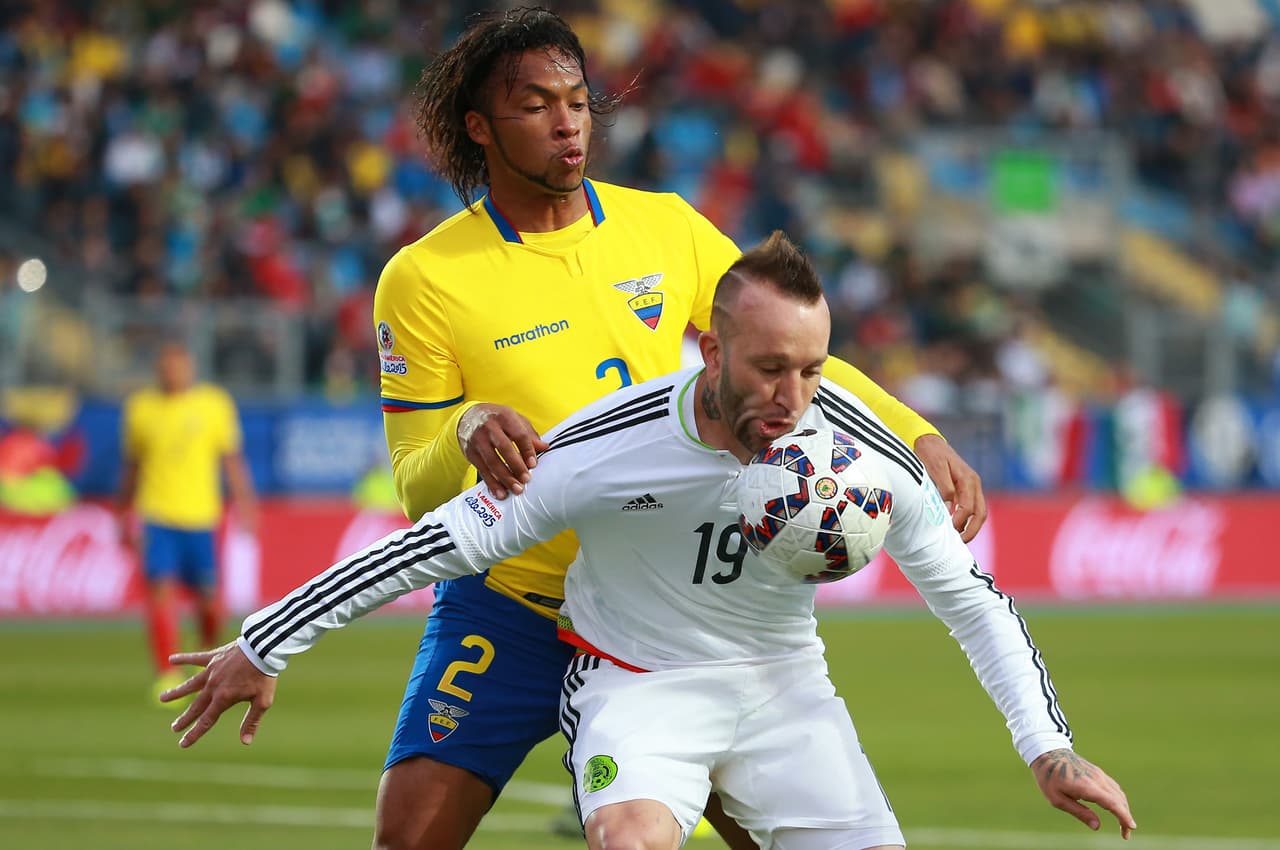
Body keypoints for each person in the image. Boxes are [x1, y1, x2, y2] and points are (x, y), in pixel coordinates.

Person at [186, 7, 984, 850]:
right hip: (510, 603)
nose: (567, 122)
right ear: (479, 127)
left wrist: (914, 433)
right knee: (408, 837)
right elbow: (418, 484)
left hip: (663, 601)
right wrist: (465, 429)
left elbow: (784, 349)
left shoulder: (665, 228)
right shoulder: (422, 280)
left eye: (576, 100)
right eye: (534, 105)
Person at [163, 232, 1134, 850]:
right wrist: (262, 641)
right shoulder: (601, 446)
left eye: (809, 368)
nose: (791, 398)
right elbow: (430, 542)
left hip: (782, 686)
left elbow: (972, 599)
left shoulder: (853, 450)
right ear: (709, 350)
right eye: (766, 369)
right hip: (633, 681)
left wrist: (1046, 747)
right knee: (624, 840)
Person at [117, 340, 257, 702]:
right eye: (166, 365)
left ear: (190, 368)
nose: (173, 372)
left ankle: (207, 658)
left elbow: (231, 459)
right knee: (160, 593)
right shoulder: (141, 409)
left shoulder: (213, 404)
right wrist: (122, 513)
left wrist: (246, 504)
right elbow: (132, 468)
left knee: (210, 602)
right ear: (158, 369)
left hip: (201, 518)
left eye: (179, 365)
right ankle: (166, 674)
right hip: (157, 516)